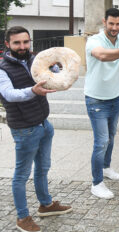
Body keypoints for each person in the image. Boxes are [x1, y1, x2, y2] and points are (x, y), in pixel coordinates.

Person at [0, 26, 72, 232]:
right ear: (8, 44)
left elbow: (53, 75)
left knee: (43, 168)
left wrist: (58, 67)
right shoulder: (3, 69)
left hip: (43, 123)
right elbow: (9, 94)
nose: (22, 47)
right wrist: (33, 90)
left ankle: (46, 205)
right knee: (21, 175)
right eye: (17, 43)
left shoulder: (36, 60)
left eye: (25, 42)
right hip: (24, 129)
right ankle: (22, 218)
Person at [84, 8, 119, 199]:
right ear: (104, 22)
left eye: (118, 24)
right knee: (101, 141)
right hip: (96, 98)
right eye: (111, 24)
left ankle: (106, 167)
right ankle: (96, 183)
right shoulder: (94, 40)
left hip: (115, 97)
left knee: (111, 136)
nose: (115, 28)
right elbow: (102, 55)